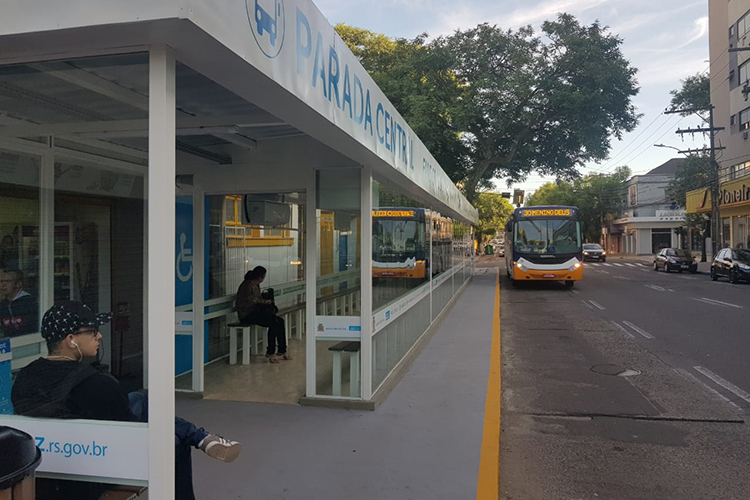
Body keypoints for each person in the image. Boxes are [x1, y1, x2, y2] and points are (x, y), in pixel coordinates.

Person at [11, 301, 241, 500]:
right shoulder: (97, 384)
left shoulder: (23, 378)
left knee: (138, 398)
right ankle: (199, 437)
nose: (99, 336)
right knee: (175, 443)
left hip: (45, 470)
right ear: (71, 340)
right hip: (92, 476)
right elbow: (133, 437)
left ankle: (200, 436)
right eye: (93, 331)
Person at [236, 266, 290, 363]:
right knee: (273, 322)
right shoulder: (246, 285)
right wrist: (264, 302)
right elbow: (251, 299)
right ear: (260, 277)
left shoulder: (256, 285)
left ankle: (282, 350)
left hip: (255, 312)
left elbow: (258, 298)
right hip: (246, 314)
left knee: (280, 321)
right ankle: (271, 352)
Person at [0, 269, 38, 337]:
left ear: (18, 284)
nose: (2, 285)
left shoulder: (30, 302)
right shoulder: (3, 304)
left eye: (7, 281)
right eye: (1, 281)